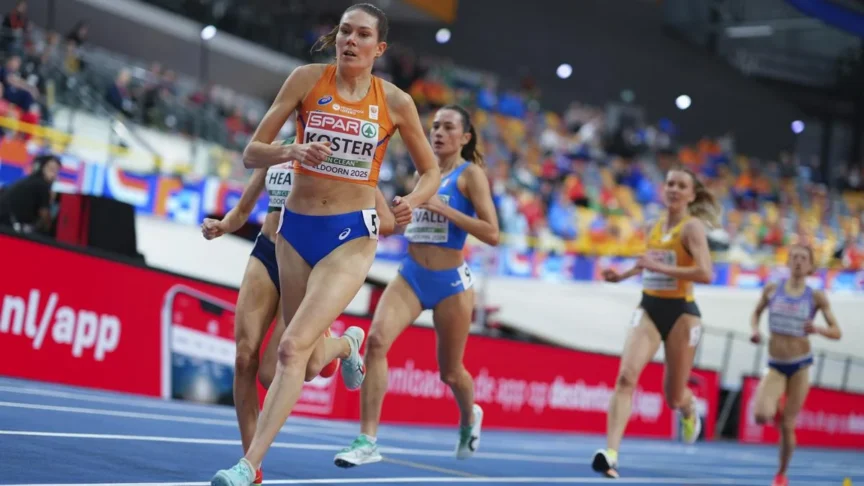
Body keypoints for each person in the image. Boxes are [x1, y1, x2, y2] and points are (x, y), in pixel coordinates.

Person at [210, 4, 440, 485]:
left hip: (351, 235)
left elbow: (431, 170)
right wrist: (290, 150)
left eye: (361, 35)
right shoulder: (305, 80)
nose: (348, 41)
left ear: (379, 48)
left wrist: (413, 201)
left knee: (291, 348)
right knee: (307, 362)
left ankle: (247, 465)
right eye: (343, 32)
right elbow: (253, 153)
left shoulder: (394, 102)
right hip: (293, 231)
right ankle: (345, 343)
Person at [202, 138, 395, 485]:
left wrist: (375, 226)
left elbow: (385, 219)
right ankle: (251, 467)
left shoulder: (342, 148)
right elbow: (246, 206)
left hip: (307, 261)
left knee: (290, 368)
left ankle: (345, 346)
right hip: (267, 251)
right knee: (245, 359)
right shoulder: (278, 146)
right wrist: (224, 224)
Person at [333, 104, 500, 468]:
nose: (438, 132)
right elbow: (402, 223)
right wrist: (384, 199)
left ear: (465, 137)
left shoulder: (470, 175)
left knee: (451, 372)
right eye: (435, 126)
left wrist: (446, 211)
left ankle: (469, 416)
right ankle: (367, 440)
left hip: (452, 284)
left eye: (448, 127)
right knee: (376, 341)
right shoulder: (420, 174)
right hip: (411, 276)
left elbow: (492, 233)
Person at [591, 166, 719, 479]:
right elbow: (649, 264)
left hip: (682, 314)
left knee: (673, 397)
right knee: (625, 378)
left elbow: (706, 273)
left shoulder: (692, 229)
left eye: (681, 185)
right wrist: (620, 276)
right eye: (670, 183)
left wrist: (660, 270)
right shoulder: (654, 225)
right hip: (649, 307)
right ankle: (610, 455)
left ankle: (689, 407)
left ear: (691, 195)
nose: (673, 189)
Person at [748, 244, 842, 486]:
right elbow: (755, 313)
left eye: (804, 258)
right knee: (760, 415)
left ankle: (781, 474)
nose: (799, 262)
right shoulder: (772, 290)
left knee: (788, 425)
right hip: (776, 364)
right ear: (788, 262)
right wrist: (755, 330)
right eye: (795, 258)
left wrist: (818, 329)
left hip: (800, 366)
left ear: (810, 266)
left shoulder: (816, 297)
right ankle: (778, 413)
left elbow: (837, 331)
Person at [0, 153, 60, 234]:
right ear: (40, 168)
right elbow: (45, 217)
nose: (54, 175)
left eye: (56, 171)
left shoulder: (27, 181)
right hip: (9, 229)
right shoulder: (41, 185)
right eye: (51, 170)